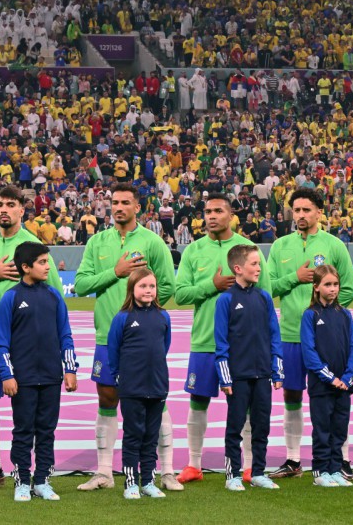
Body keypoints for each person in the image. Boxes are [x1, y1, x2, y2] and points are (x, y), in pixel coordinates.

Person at [75, 184, 179, 492]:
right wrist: (116, 272)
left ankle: (167, 472)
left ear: (137, 207)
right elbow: (81, 285)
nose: (117, 207)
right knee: (107, 397)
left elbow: (168, 287)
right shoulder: (97, 242)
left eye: (124, 202)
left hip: (144, 339)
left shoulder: (152, 242)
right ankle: (104, 472)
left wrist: (146, 314)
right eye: (114, 202)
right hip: (108, 336)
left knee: (154, 401)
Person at [0, 186, 63, 491]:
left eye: (10, 205)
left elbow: (55, 294)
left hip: (29, 346)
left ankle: (37, 471)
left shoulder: (32, 245)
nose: (3, 209)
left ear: (23, 210)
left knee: (33, 411)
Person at [265, 188, 353, 480]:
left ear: (319, 211)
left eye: (307, 210)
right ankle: (293, 459)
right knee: (292, 394)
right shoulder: (279, 246)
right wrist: (296, 278)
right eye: (297, 210)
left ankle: (341, 459)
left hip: (327, 339)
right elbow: (268, 289)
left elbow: (350, 290)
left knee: (334, 394)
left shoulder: (334, 245)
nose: (301, 215)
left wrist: (328, 318)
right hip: (290, 334)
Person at [173, 193, 262, 483]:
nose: (211, 216)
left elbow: (265, 296)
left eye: (218, 211)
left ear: (231, 215)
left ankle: (248, 466)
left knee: (246, 405)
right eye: (207, 211)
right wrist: (210, 285)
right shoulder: (193, 251)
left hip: (243, 346)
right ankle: (193, 465)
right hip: (205, 341)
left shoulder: (249, 250)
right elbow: (181, 294)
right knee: (198, 399)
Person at [0, 241, 78, 502]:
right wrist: (7, 374)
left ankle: (42, 479)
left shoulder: (54, 296)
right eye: (42, 262)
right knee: (23, 430)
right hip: (23, 379)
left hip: (51, 377)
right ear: (25, 267)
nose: (47, 266)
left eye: (47, 261)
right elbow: (1, 340)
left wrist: (70, 368)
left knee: (46, 430)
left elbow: (65, 334)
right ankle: (21, 480)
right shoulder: (11, 297)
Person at [213, 244, 282, 492]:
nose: (259, 268)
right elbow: (220, 342)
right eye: (254, 264)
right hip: (238, 376)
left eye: (259, 264)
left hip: (263, 373)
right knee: (235, 426)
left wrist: (277, 369)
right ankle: (232, 474)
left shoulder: (264, 297)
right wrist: (225, 378)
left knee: (262, 425)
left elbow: (275, 334)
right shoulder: (226, 300)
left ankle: (258, 472)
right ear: (238, 268)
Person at [106, 267, 172, 500]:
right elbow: (113, 352)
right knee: (134, 434)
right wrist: (121, 377)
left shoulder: (163, 316)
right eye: (143, 286)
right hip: (132, 387)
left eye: (152, 286)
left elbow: (164, 346)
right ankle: (130, 483)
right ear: (132, 289)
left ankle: (148, 482)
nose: (148, 290)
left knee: (151, 436)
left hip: (157, 385)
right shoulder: (122, 318)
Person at [300, 265, 353, 488]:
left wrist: (347, 377)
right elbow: (309, 352)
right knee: (322, 430)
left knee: (339, 430)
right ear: (316, 287)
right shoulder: (310, 315)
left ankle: (335, 469)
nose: (333, 289)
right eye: (327, 284)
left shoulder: (345, 314)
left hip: (343, 386)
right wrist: (329, 377)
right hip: (322, 386)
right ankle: (320, 471)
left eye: (335, 284)